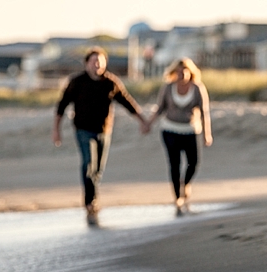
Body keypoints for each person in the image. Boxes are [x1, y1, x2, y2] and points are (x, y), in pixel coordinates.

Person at [53, 47, 147, 226]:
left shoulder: (110, 82)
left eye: (101, 62)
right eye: (94, 61)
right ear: (86, 63)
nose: (97, 65)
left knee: (98, 169)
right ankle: (89, 201)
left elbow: (127, 102)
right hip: (83, 130)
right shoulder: (76, 82)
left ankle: (93, 198)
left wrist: (143, 120)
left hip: (104, 131)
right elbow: (61, 106)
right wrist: (56, 130)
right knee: (89, 163)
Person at [143, 57, 212, 216]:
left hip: (191, 130)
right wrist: (148, 123)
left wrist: (207, 134)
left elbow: (204, 112)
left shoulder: (197, 88)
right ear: (174, 73)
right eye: (178, 72)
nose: (181, 75)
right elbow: (160, 108)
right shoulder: (168, 88)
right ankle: (178, 198)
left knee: (193, 163)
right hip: (170, 130)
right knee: (174, 164)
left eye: (184, 72)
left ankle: (185, 184)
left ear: (190, 73)